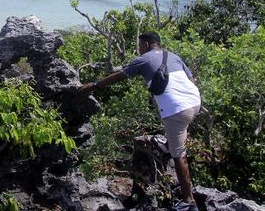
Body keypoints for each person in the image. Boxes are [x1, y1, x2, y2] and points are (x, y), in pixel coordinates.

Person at [79, 32, 201, 211]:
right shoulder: (174, 56)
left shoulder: (143, 59)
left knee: (179, 155)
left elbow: (120, 76)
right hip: (195, 102)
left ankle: (189, 202)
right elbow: (191, 79)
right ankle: (169, 143)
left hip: (176, 110)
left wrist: (95, 85)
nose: (138, 48)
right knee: (180, 129)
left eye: (139, 44)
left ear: (146, 44)